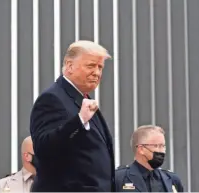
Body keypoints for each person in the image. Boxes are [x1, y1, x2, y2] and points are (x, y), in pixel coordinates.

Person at [30, 40, 115, 192]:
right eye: (90, 66)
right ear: (69, 66)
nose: (97, 72)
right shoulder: (52, 99)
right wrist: (79, 121)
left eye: (100, 67)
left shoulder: (83, 100)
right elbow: (44, 148)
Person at [115, 125, 184, 192]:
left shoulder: (172, 179)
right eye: (156, 146)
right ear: (141, 149)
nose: (161, 151)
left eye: (163, 146)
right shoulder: (119, 178)